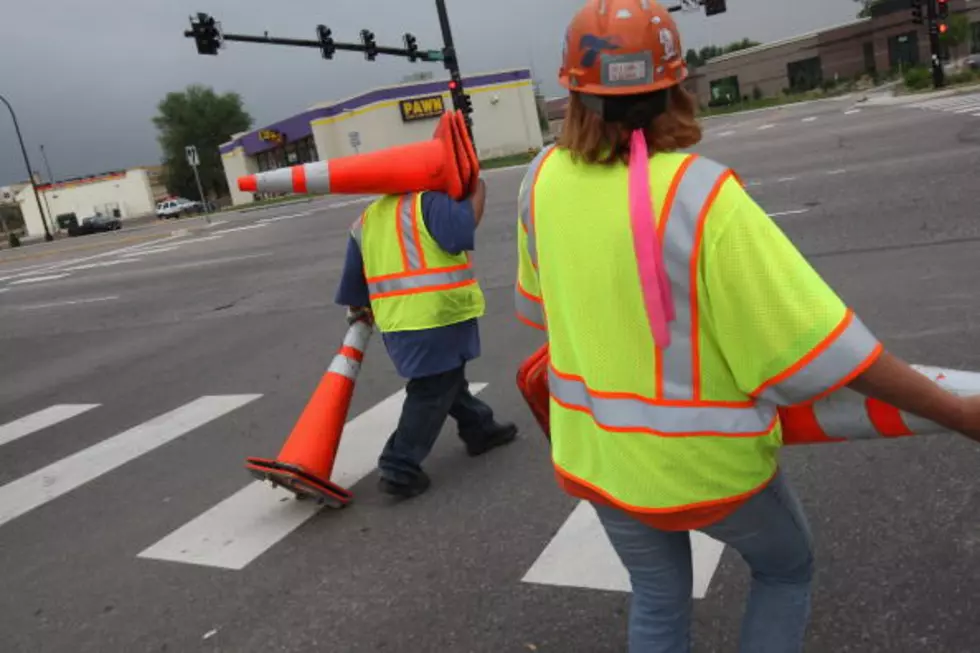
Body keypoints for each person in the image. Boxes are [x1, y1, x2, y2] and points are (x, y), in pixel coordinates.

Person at [513, 1, 980, 651]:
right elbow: (831, 355)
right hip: (707, 467)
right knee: (786, 568)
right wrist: (958, 413)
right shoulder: (703, 198)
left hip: (599, 460)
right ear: (678, 86)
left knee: (656, 596)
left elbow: (539, 311)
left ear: (572, 93)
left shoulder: (539, 180)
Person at [336, 180, 518, 499]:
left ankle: (480, 428)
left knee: (445, 378)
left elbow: (354, 280)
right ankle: (399, 466)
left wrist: (360, 308)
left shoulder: (367, 218)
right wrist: (478, 191)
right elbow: (459, 234)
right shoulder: (428, 202)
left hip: (398, 321)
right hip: (436, 314)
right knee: (433, 388)